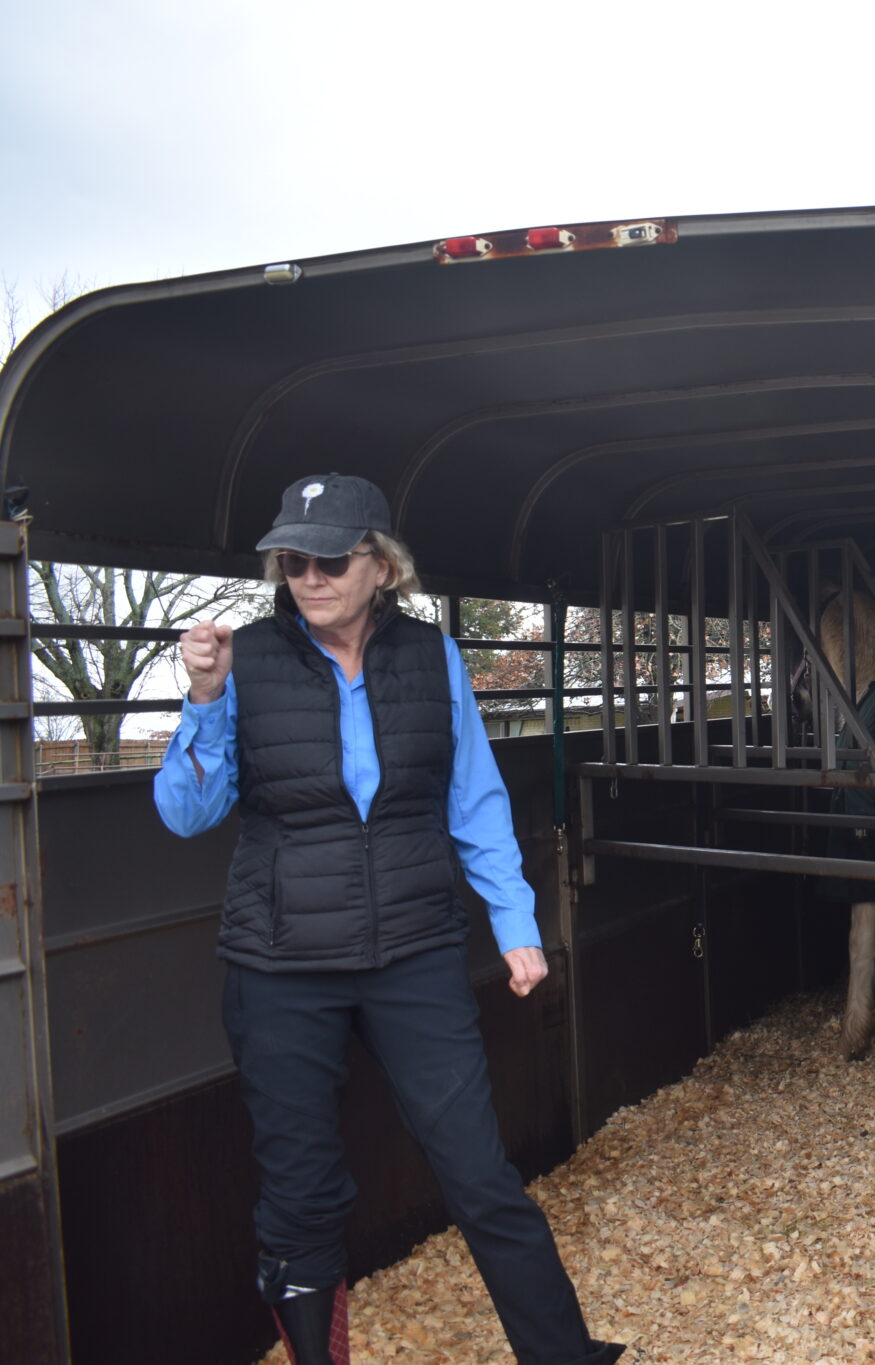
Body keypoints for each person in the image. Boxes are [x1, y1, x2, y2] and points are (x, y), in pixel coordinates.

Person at [154, 474, 624, 1365]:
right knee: (300, 1193)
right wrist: (205, 699)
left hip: (413, 947)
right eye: (293, 558)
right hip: (280, 963)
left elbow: (476, 801)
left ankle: (565, 1356)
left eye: (330, 557)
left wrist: (516, 924)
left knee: (479, 1171)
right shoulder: (242, 661)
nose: (309, 574)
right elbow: (186, 811)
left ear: (381, 565)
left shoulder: (434, 656)